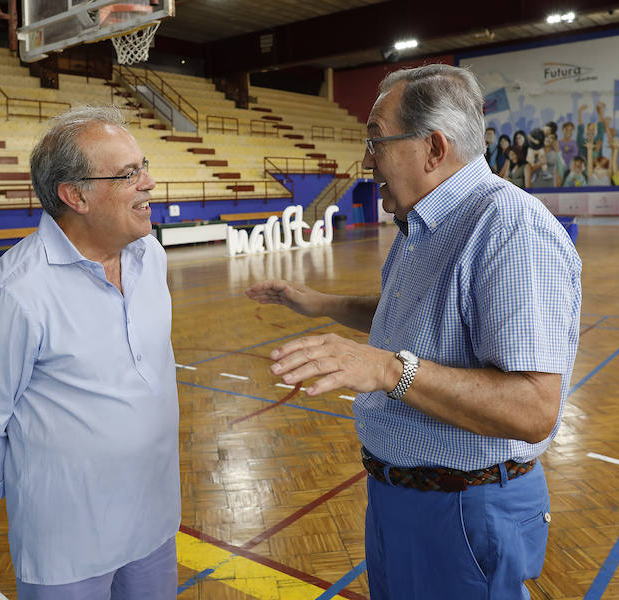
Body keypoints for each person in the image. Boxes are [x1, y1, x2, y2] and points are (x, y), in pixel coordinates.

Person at [246, 64, 581, 599]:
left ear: (434, 148)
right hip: (402, 497)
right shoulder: (421, 224)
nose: (366, 161)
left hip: (465, 509)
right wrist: (320, 304)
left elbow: (534, 409)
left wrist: (383, 368)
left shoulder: (508, 229)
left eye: (376, 140)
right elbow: (418, 314)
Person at [0, 106, 180, 600]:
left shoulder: (151, 257)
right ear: (75, 196)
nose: (150, 183)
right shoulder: (15, 291)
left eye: (144, 166)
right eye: (127, 174)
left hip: (154, 513)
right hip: (69, 534)